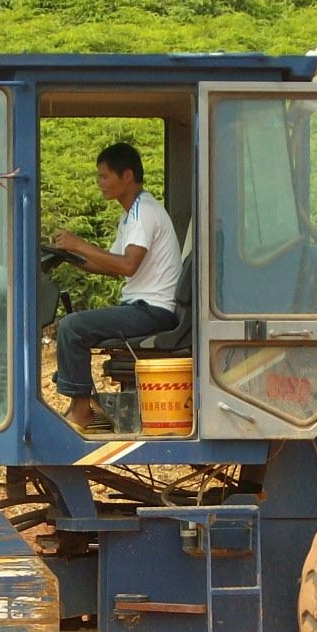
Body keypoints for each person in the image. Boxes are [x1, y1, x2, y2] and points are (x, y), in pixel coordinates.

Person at [52, 142, 181, 434]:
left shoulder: (144, 212)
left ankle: (83, 410)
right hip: (142, 306)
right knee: (74, 325)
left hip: (154, 310)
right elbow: (110, 266)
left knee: (73, 327)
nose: (100, 183)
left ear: (126, 176)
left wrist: (79, 244)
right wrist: (69, 257)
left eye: (104, 176)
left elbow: (126, 266)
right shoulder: (130, 215)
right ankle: (84, 404)